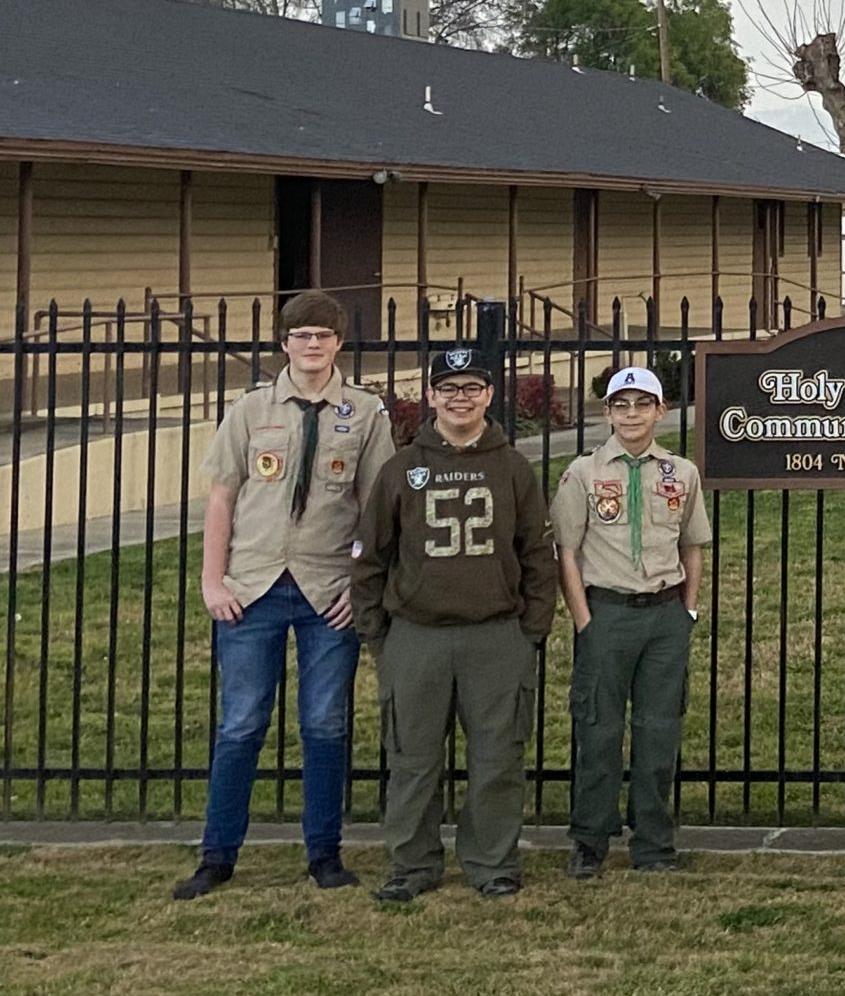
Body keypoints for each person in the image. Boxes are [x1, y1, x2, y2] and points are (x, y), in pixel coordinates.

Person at [172, 291, 398, 900]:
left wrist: (359, 580)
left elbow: (377, 509)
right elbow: (221, 497)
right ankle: (217, 855)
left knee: (325, 724)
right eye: (302, 335)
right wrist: (212, 580)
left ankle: (324, 853)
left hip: (328, 590)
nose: (313, 344)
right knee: (241, 724)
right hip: (253, 588)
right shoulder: (249, 412)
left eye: (324, 334)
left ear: (339, 343)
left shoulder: (365, 413)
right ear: (284, 344)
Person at [350, 344, 558, 902]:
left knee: (497, 757)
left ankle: (492, 864)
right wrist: (378, 636)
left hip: (495, 634)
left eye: (471, 388)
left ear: (489, 395)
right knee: (413, 759)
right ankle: (412, 866)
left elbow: (538, 555)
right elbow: (370, 558)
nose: (460, 398)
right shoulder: (402, 468)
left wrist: (530, 630)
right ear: (431, 396)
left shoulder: (512, 466)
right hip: (416, 635)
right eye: (448, 388)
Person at [553, 365, 712, 879]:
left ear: (661, 411)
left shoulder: (681, 473)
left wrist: (687, 608)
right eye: (621, 405)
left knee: (658, 733)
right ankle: (590, 841)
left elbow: (692, 544)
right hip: (607, 615)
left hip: (663, 617)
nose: (631, 414)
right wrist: (583, 619)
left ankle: (654, 844)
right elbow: (567, 551)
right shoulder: (583, 473)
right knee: (598, 733)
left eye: (642, 404)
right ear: (607, 414)